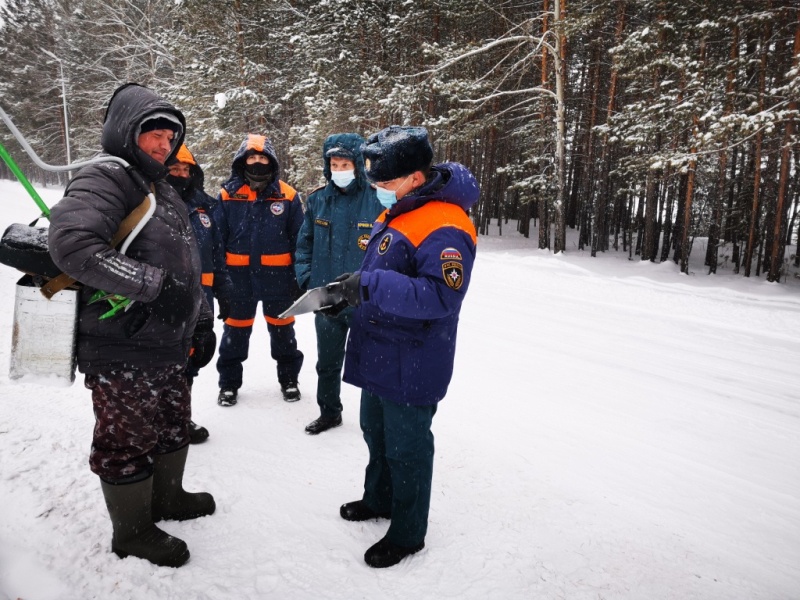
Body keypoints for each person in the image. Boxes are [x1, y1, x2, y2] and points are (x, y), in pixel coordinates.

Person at [47, 83, 215, 568]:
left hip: (165, 344)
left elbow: (187, 264)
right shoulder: (107, 177)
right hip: (122, 345)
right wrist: (154, 287)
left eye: (171, 137)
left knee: (169, 425)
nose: (165, 146)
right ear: (125, 133)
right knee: (126, 440)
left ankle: (168, 499)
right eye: (153, 135)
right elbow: (74, 244)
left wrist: (199, 323)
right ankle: (133, 531)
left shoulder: (159, 187)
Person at [326, 126, 478, 568]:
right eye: (374, 180)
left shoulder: (447, 223)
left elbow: (440, 297)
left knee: (407, 448)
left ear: (415, 176)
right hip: (379, 349)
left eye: (386, 182)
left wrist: (368, 285)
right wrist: (348, 299)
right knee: (375, 432)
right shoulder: (401, 209)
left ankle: (409, 533)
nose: (377, 189)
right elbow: (388, 270)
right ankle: (379, 499)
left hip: (413, 359)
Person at [294, 134, 383, 435]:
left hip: (364, 299)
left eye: (345, 163)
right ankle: (329, 412)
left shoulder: (376, 199)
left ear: (358, 165)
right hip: (327, 300)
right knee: (327, 363)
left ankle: (375, 421)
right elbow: (304, 245)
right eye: (334, 164)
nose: (339, 169)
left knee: (372, 365)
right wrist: (308, 279)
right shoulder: (318, 200)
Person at [214, 134, 304, 406]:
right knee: (234, 335)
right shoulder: (228, 194)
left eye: (262, 158)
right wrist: (221, 283)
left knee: (283, 333)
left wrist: (298, 278)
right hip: (238, 282)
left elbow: (299, 239)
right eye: (251, 157)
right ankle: (228, 385)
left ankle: (289, 380)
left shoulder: (287, 195)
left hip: (279, 281)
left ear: (272, 162)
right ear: (242, 161)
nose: (257, 162)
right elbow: (217, 240)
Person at [166, 143, 233, 443]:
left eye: (186, 170)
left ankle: (180, 419)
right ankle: (153, 422)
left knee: (192, 357)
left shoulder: (205, 207)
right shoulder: (149, 202)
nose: (181, 175)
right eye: (174, 169)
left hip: (201, 301)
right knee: (161, 361)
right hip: (161, 299)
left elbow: (217, 254)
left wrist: (225, 289)